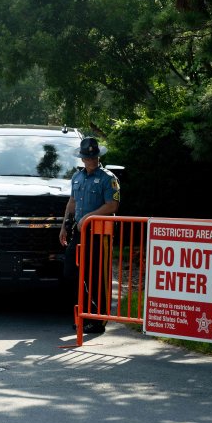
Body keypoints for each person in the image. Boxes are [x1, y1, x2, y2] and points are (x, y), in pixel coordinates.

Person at [59, 137, 120, 334]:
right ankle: (83, 313)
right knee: (71, 273)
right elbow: (72, 202)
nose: (91, 160)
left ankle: (97, 320)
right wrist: (63, 227)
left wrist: (90, 216)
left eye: (94, 157)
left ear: (98, 157)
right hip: (79, 232)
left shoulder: (108, 178)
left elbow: (112, 205)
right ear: (82, 159)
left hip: (99, 233)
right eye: (87, 157)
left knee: (97, 276)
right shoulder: (77, 177)